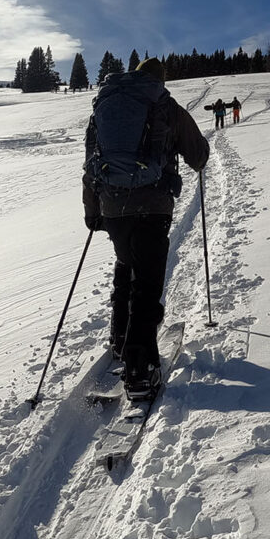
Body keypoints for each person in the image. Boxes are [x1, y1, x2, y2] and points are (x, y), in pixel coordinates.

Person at [83, 58, 210, 398]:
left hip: (113, 207)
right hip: (152, 206)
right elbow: (197, 155)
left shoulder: (105, 106)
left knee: (126, 266)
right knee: (147, 283)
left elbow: (91, 164)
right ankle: (140, 370)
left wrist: (92, 211)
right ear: (159, 80)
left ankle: (120, 339)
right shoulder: (166, 106)